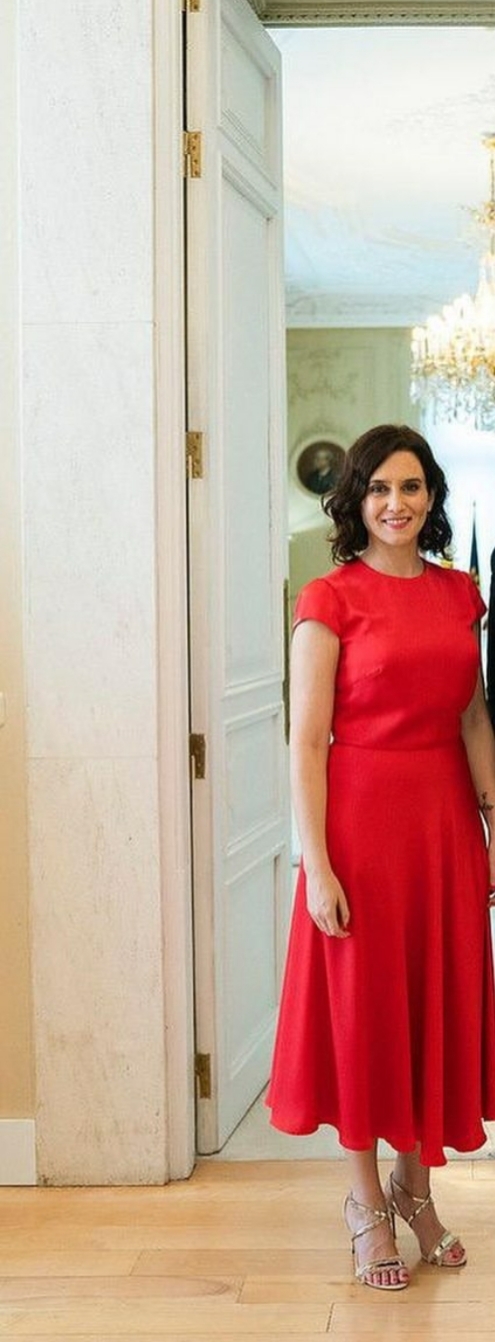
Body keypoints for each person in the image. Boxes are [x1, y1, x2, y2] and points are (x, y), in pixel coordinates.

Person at [266, 424, 495, 1291]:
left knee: (432, 1000)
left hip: (442, 826)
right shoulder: (329, 599)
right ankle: (365, 1203)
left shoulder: (460, 593)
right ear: (354, 501)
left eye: (409, 486)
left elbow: (471, 716)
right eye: (377, 489)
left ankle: (414, 1185)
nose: (394, 504)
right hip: (358, 831)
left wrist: (492, 824)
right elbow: (306, 742)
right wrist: (315, 865)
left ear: (429, 495)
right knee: (366, 1014)